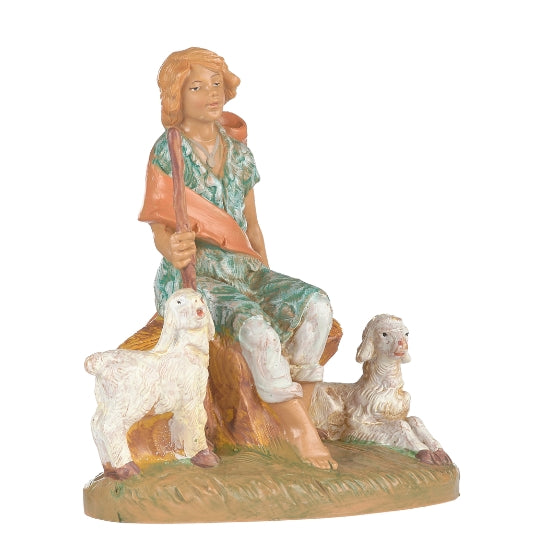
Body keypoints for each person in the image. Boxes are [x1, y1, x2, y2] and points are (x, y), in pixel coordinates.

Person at [139, 48, 337, 470]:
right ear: (176, 96)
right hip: (197, 275)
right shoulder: (169, 150)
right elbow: (159, 226)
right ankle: (300, 432)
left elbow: (252, 224)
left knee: (316, 304)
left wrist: (266, 275)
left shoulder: (241, 154)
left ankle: (298, 409)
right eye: (197, 87)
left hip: (244, 269)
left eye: (216, 84)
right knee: (255, 328)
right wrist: (170, 247)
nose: (211, 93)